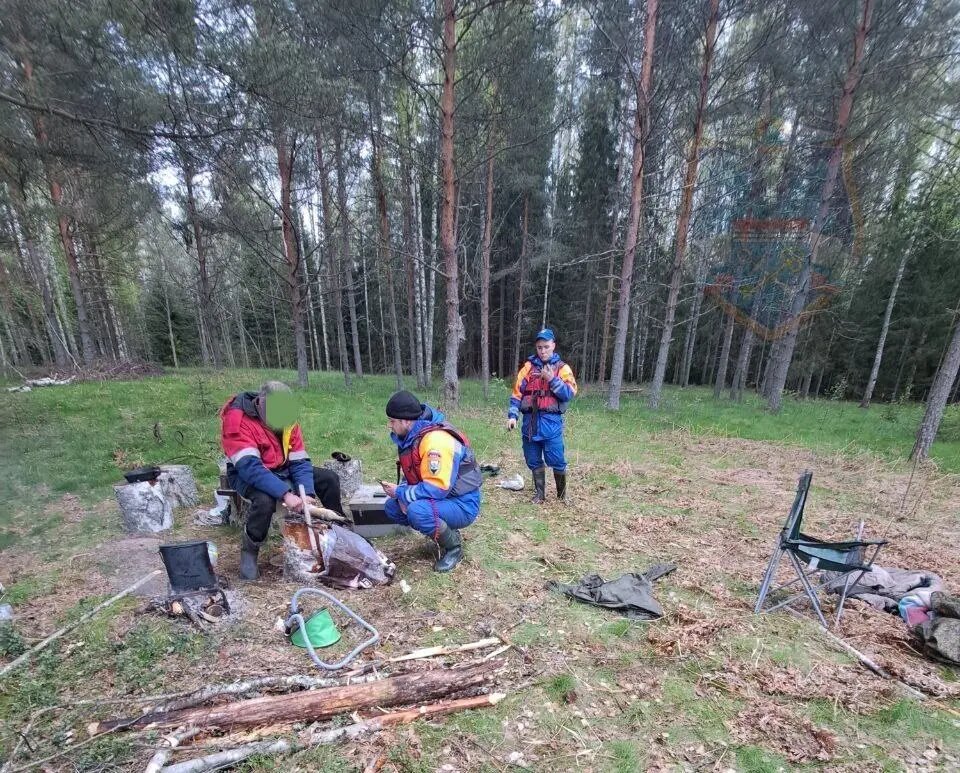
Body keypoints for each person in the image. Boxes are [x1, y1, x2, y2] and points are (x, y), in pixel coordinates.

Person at [220, 381, 345, 580]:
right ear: (260, 403)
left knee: (329, 479)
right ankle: (250, 551)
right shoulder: (237, 421)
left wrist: (307, 494)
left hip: (282, 468)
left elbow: (299, 460)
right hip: (248, 474)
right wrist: (286, 494)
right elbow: (250, 468)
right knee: (264, 500)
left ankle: (341, 534)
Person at [380, 390, 482, 572]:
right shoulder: (413, 437)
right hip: (444, 498)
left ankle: (454, 548)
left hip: (462, 504)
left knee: (417, 511)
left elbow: (437, 488)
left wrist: (400, 492)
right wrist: (402, 493)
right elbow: (412, 473)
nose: (390, 425)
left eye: (392, 421)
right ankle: (443, 535)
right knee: (392, 507)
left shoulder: (436, 441)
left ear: (406, 421)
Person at [507, 327, 578, 503]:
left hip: (551, 425)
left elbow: (569, 393)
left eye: (546, 346)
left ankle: (562, 496)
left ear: (553, 345)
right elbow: (517, 394)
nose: (543, 350)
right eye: (539, 347)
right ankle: (540, 494)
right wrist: (512, 416)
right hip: (530, 425)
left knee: (557, 459)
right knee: (533, 459)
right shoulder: (528, 368)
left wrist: (552, 379)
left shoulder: (562, 368)